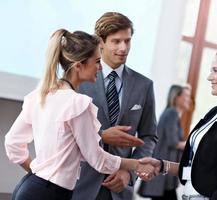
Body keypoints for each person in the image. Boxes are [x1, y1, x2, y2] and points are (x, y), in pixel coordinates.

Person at [4, 29, 154, 200]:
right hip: (49, 194)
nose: (100, 67)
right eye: (97, 61)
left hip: (29, 187)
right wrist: (137, 164)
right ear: (78, 66)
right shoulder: (77, 104)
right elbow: (97, 159)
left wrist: (38, 173)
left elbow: (12, 143)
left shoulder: (41, 94)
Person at [138, 46, 217, 200]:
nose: (209, 77)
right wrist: (162, 165)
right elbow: (197, 169)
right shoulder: (214, 112)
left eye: (215, 70)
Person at [72, 12, 157, 200]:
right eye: (116, 41)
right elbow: (63, 132)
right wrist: (101, 136)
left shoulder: (144, 85)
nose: (123, 48)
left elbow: (149, 135)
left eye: (127, 41)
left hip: (119, 190)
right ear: (100, 42)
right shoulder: (78, 80)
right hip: (79, 185)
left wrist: (130, 172)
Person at [138, 84, 191, 200]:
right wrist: (193, 143)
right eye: (186, 96)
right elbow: (174, 142)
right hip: (163, 174)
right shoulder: (172, 113)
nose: (189, 100)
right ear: (177, 97)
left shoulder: (170, 113)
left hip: (163, 173)